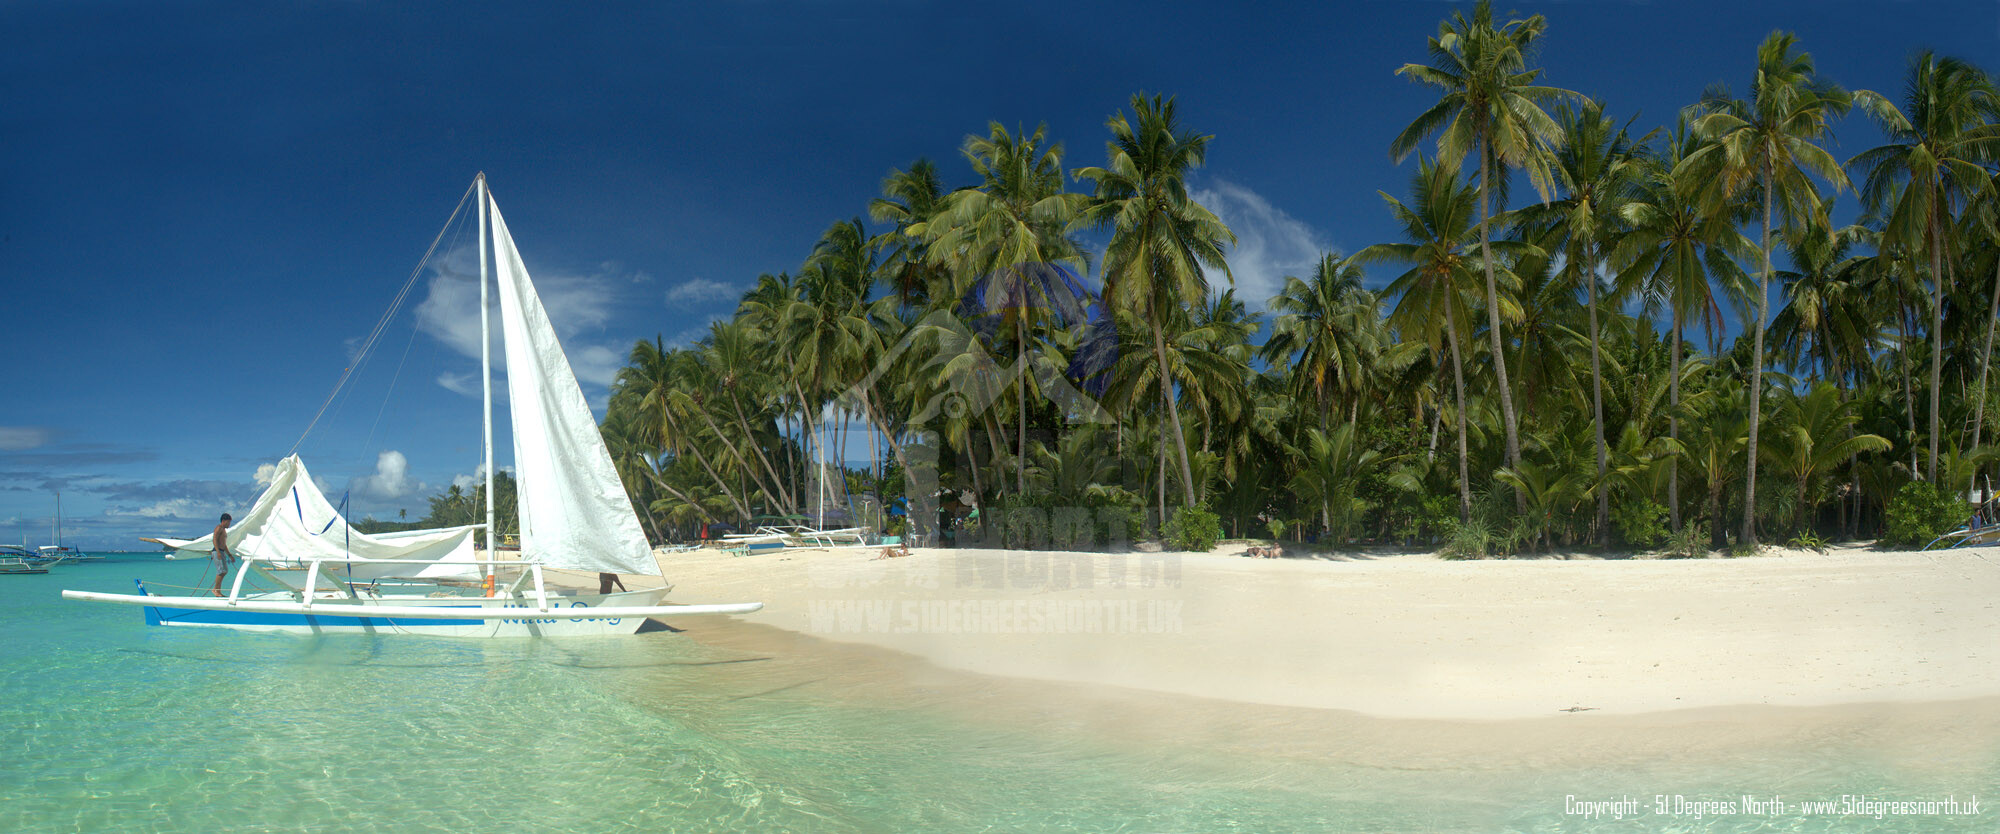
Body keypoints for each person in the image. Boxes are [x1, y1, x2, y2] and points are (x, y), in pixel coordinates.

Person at [211, 513, 235, 596]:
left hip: (221, 551)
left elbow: (224, 545)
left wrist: (230, 555)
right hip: (217, 551)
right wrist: (218, 552)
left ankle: (217, 590)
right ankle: (215, 590)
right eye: (228, 522)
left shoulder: (224, 530)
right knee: (221, 571)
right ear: (224, 521)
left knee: (224, 571)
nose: (229, 524)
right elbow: (214, 540)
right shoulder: (219, 528)